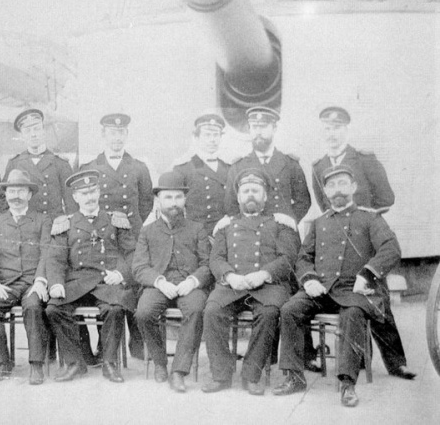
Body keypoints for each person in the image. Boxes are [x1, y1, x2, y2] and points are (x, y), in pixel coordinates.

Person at [273, 165, 403, 407]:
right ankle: (294, 377)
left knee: (352, 314)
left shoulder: (370, 218)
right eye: (331, 185)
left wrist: (368, 274)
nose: (337, 189)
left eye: (342, 183)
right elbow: (303, 257)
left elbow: (391, 248)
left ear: (353, 187)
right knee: (289, 309)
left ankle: (347, 384)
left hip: (354, 290)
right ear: (325, 192)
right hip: (322, 289)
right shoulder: (319, 222)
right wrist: (309, 279)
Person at [311, 106, 413, 380]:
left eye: (337, 128)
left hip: (366, 234)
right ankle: (358, 359)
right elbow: (324, 203)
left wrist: (365, 216)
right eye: (327, 129)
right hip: (339, 238)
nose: (331, 134)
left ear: (347, 129)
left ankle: (396, 363)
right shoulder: (318, 166)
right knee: (350, 301)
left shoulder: (365, 159)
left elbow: (386, 197)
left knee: (378, 298)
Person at [202, 168, 300, 395]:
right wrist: (229, 276)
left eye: (256, 190)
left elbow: (288, 258)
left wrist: (263, 274)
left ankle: (251, 375)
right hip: (232, 285)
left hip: (268, 285)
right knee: (212, 311)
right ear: (238, 197)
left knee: (268, 313)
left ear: (265, 196)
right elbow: (216, 258)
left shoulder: (280, 224)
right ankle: (221, 375)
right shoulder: (225, 225)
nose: (250, 195)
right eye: (245, 191)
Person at [45, 170, 137, 384]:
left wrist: (121, 273)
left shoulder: (115, 220)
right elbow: (55, 259)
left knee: (114, 309)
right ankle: (75, 363)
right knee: (54, 309)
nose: (89, 197)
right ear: (75, 197)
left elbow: (132, 254)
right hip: (77, 281)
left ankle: (109, 362)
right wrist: (56, 283)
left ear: (99, 192)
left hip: (106, 281)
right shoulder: (65, 223)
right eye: (84, 193)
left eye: (92, 191)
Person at [78, 113, 152, 360]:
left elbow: (146, 203)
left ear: (126, 135)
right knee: (106, 288)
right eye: (112, 132)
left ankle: (137, 341)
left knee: (134, 283)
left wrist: (130, 225)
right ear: (103, 135)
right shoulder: (90, 167)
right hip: (103, 237)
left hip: (132, 235)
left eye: (121, 133)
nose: (117, 138)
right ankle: (105, 345)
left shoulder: (139, 167)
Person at [133, 171, 211, 392]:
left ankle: (179, 371)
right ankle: (159, 362)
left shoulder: (197, 229)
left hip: (189, 286)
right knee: (143, 312)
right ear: (158, 200)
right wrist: (159, 281)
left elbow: (207, 264)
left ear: (185, 199)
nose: (174, 202)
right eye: (168, 197)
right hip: (159, 286)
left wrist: (193, 281)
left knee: (196, 310)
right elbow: (139, 267)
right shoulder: (147, 231)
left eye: (178, 197)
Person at [0, 169, 52, 385]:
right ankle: (1, 362)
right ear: (6, 194)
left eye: (21, 191)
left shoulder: (42, 220)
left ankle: (36, 364)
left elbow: (47, 252)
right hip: (6, 284)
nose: (16, 196)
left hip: (31, 282)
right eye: (11, 191)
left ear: (29, 194)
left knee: (33, 307)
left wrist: (40, 281)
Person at [223, 107, 311, 224]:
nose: (258, 132)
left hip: (282, 229)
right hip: (250, 230)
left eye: (263, 127)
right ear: (249, 129)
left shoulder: (290, 164)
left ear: (274, 128)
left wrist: (289, 220)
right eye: (254, 127)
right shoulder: (238, 167)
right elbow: (230, 205)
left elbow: (304, 201)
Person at [3, 108, 77, 219]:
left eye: (36, 129)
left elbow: (71, 204)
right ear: (22, 136)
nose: (33, 134)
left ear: (44, 131)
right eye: (27, 131)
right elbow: (4, 201)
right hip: (25, 224)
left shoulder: (60, 163)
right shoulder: (15, 163)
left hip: (53, 224)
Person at [172, 114, 231, 235]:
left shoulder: (228, 168)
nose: (212, 140)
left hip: (225, 231)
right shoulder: (184, 169)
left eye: (216, 135)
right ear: (196, 137)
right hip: (195, 234)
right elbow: (174, 208)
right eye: (207, 135)